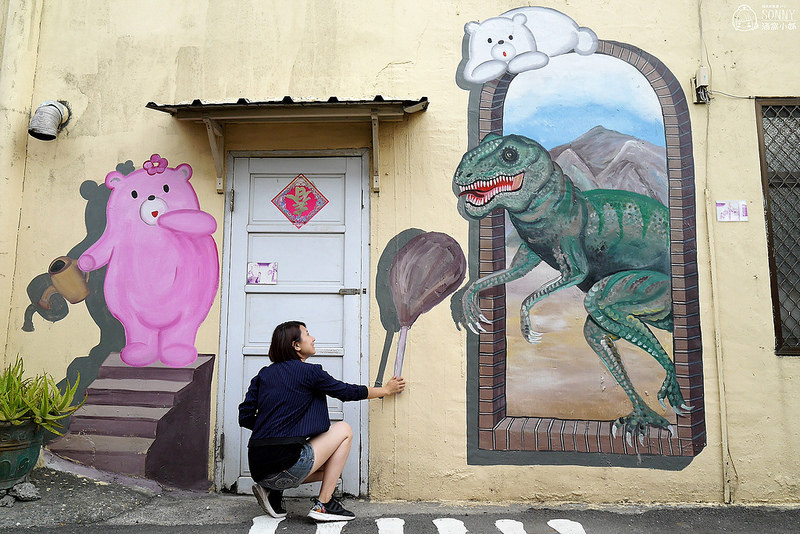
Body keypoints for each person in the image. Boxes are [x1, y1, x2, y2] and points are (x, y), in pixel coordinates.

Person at [238, 320, 405, 522]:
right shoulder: (310, 372)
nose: (313, 338)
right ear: (296, 345)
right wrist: (385, 390)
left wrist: (273, 431)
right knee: (343, 429)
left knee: (330, 464)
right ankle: (324, 505)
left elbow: (245, 417)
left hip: (259, 469)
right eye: (307, 334)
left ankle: (271, 491)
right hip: (286, 464)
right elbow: (345, 391)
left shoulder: (263, 375)